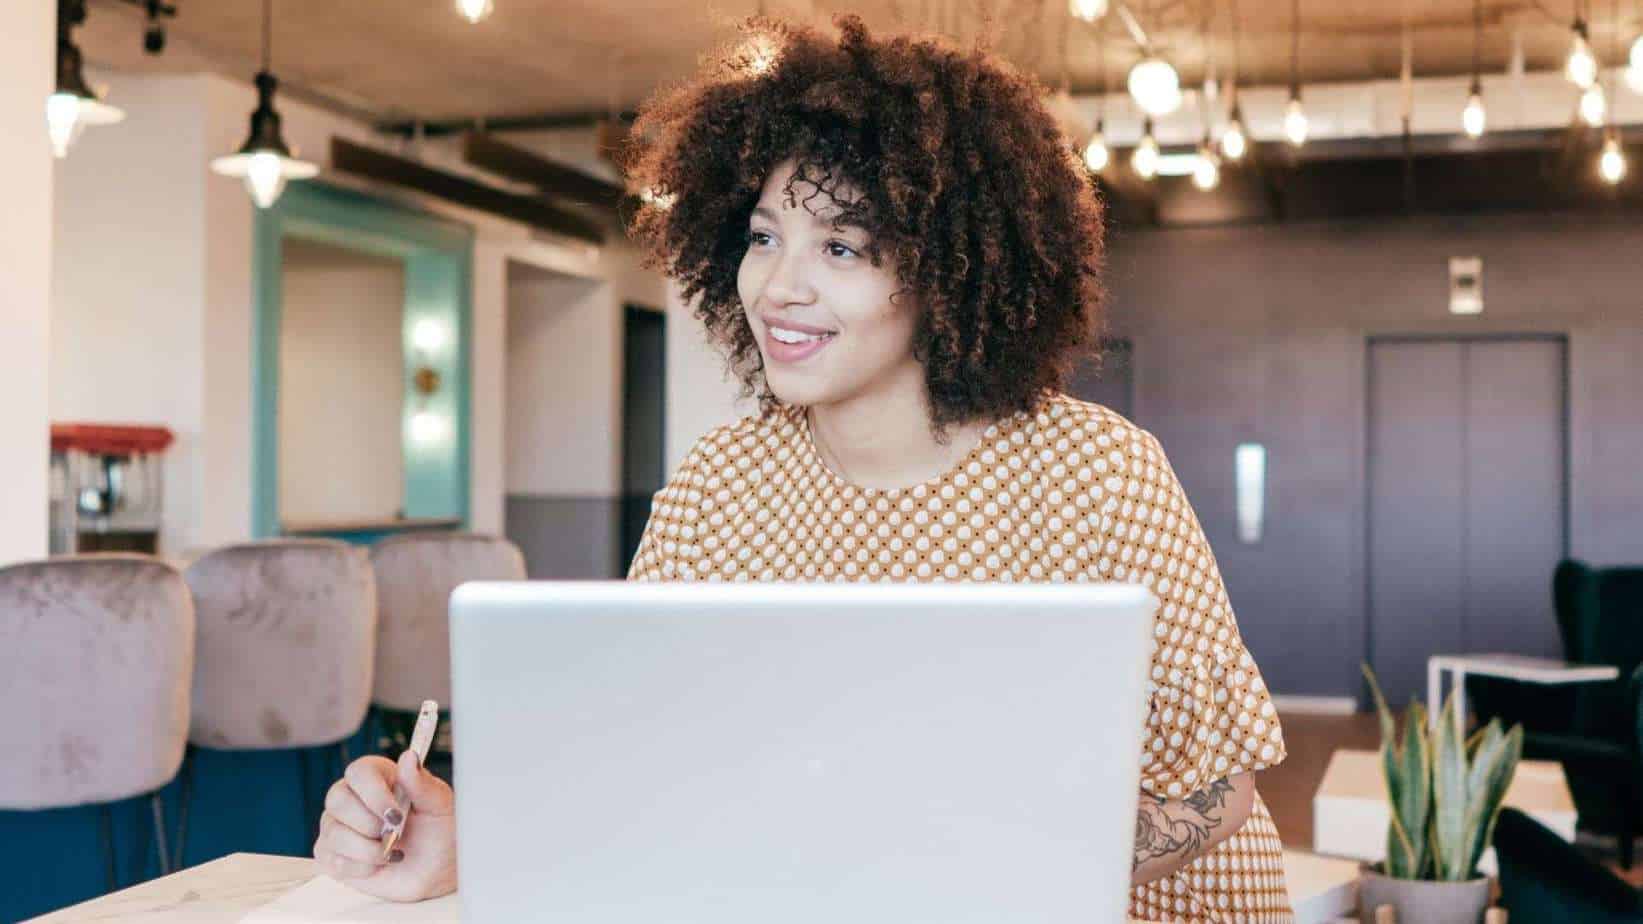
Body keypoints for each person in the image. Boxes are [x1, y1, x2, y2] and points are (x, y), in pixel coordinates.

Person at [314, 16, 1292, 922]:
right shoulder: (718, 487)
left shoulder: (1096, 472)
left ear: (948, 271)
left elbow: (1214, 789)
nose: (779, 286)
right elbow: (646, 767)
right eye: (762, 236)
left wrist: (962, 854)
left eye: (841, 244)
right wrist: (470, 844)